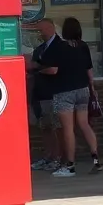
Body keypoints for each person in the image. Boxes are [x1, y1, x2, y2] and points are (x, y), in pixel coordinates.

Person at [39, 17, 102, 178]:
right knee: (84, 124)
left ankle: (70, 166)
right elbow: (89, 70)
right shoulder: (83, 46)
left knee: (68, 129)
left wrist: (39, 71)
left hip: (64, 91)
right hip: (83, 90)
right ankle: (96, 159)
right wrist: (92, 89)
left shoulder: (60, 47)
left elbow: (53, 70)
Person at [27, 19, 61, 171]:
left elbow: (55, 70)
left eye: (41, 30)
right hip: (39, 93)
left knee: (54, 127)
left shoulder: (60, 46)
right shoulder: (39, 49)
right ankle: (48, 156)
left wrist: (38, 68)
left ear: (50, 27)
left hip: (53, 93)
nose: (40, 34)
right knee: (44, 127)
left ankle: (57, 157)